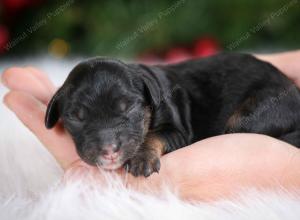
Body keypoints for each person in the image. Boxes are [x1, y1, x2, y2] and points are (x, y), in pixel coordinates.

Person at [2, 51, 300, 202]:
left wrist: (149, 146)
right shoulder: (138, 89)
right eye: (80, 118)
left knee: (245, 127)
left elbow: (176, 132)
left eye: (125, 111)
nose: (108, 144)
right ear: (57, 112)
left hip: (261, 94)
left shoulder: (165, 99)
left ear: (150, 97)